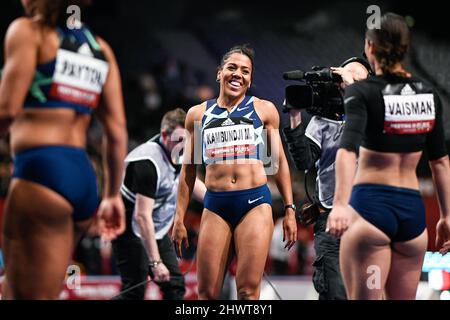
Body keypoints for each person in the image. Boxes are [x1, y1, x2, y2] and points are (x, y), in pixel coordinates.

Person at [0, 0, 127, 299]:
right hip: (82, 179)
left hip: (41, 174)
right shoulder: (101, 49)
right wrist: (111, 196)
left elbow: (6, 110)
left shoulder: (29, 32)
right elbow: (117, 131)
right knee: (26, 286)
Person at [327, 12, 450, 299]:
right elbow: (440, 162)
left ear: (370, 47)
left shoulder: (362, 92)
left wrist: (340, 204)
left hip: (371, 210)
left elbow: (347, 150)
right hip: (412, 217)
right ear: (405, 48)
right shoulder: (428, 94)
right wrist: (446, 216)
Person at [172, 45, 297, 300]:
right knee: (206, 293)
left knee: (248, 292)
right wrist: (179, 218)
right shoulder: (198, 115)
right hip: (216, 205)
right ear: (219, 73)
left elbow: (278, 163)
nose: (238, 74)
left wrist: (289, 209)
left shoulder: (263, 111)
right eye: (232, 68)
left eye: (245, 71)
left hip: (254, 204)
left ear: (250, 80)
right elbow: (188, 172)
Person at [283, 58, 371, 299]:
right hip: (331, 221)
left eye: (357, 78)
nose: (346, 80)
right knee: (333, 292)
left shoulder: (373, 116)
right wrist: (294, 116)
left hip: (368, 220)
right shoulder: (321, 122)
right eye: (344, 75)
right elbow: (303, 161)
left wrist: (351, 84)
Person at [112, 108, 206, 300]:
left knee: (175, 286)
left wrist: (219, 202)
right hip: (131, 230)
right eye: (180, 140)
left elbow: (189, 181)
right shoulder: (146, 163)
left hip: (157, 229)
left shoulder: (178, 148)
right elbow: (142, 216)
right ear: (164, 134)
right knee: (134, 292)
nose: (184, 146)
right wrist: (155, 263)